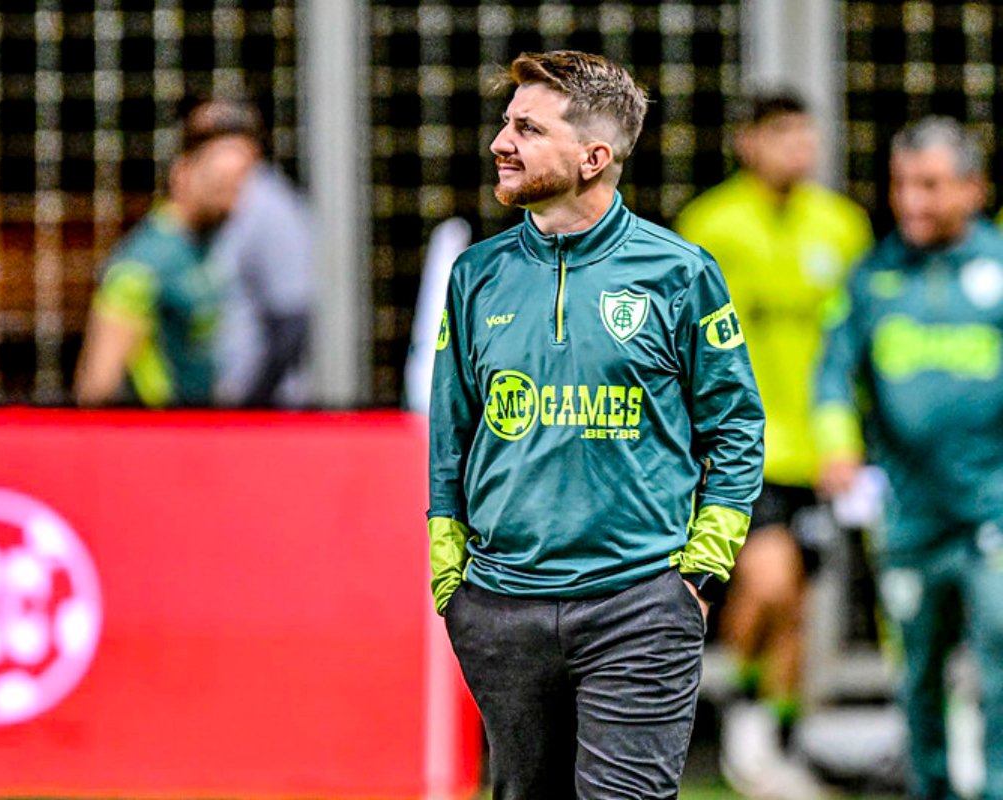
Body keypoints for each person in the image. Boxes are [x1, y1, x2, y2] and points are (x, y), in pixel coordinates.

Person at [427, 50, 765, 799]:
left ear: (593, 158)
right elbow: (451, 433)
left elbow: (737, 428)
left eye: (527, 128)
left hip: (639, 603)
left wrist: (698, 575)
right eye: (506, 123)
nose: (500, 143)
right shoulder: (475, 275)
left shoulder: (679, 273)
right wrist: (453, 581)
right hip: (501, 608)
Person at [675, 92, 874, 797]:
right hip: (739, 446)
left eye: (807, 134)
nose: (801, 148)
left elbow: (856, 340)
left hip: (818, 452)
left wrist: (853, 434)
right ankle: (741, 712)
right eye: (784, 134)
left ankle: (774, 732)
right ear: (749, 143)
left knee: (796, 603)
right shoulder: (712, 225)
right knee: (766, 581)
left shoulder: (841, 226)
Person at [815, 116, 1003, 800]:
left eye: (930, 185)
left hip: (992, 506)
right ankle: (931, 788)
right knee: (918, 672)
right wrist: (838, 444)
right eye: (902, 185)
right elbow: (833, 371)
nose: (912, 201)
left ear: (974, 189)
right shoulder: (874, 276)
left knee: (1001, 654)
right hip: (908, 516)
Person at [75, 99, 312, 408]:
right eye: (222, 184)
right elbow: (97, 385)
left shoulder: (210, 245)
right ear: (182, 172)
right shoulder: (141, 266)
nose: (235, 202)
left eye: (240, 187)